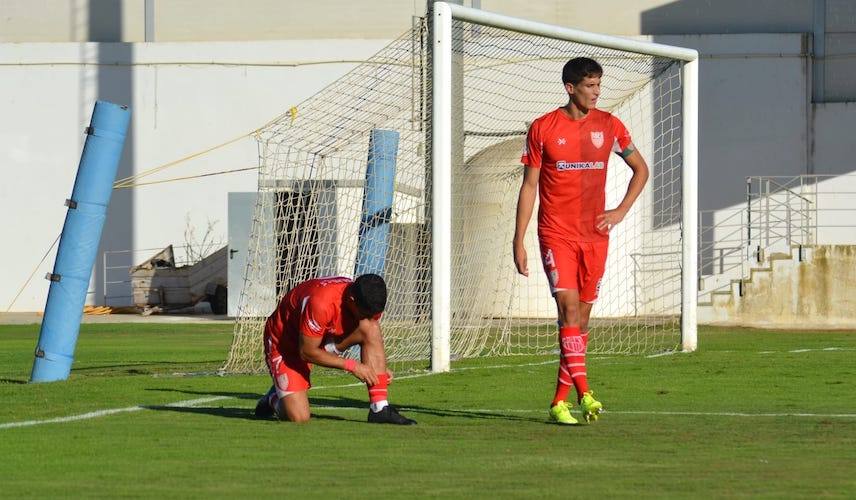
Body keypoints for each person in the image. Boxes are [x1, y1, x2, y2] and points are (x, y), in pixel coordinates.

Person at [513, 57, 650, 425]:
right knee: (569, 311)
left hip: (596, 236)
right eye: (590, 86)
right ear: (570, 88)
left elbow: (641, 170)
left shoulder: (610, 126)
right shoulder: (543, 128)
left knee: (581, 321)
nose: (597, 92)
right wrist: (519, 240)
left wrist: (619, 211)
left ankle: (559, 401)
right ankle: (585, 392)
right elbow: (529, 186)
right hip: (556, 233)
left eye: (599, 85)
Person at [254, 273, 416, 425]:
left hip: (322, 337)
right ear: (351, 300)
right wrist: (353, 366)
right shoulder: (321, 302)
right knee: (299, 417)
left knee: (370, 327)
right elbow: (306, 352)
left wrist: (377, 367)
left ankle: (379, 408)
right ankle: (273, 398)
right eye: (365, 313)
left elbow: (368, 330)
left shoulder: (365, 300)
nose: (369, 317)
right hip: (286, 344)